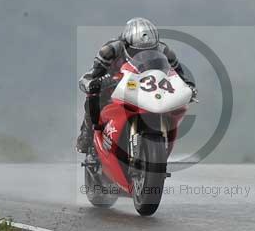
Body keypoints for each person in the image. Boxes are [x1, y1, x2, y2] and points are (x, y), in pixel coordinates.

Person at [76, 17, 196, 153]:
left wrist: (189, 87)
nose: (144, 55)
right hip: (115, 86)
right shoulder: (109, 50)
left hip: (148, 88)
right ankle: (86, 134)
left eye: (151, 50)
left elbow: (180, 74)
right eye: (137, 52)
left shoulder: (164, 50)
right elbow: (90, 76)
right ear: (126, 45)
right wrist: (95, 83)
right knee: (93, 96)